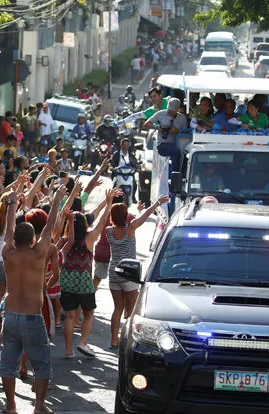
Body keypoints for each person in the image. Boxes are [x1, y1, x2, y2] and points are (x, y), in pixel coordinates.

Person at [0, 184, 66, 414]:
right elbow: (50, 225)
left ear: (16, 239)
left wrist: (11, 204)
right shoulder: (39, 253)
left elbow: (8, 228)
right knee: (42, 365)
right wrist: (57, 198)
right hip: (32, 317)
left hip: (10, 315)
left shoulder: (7, 252)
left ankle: (11, 405)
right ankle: (38, 406)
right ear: (34, 238)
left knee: (8, 363)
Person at [107, 196, 170, 349]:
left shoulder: (109, 231)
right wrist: (156, 203)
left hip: (114, 272)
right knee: (130, 311)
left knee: (117, 309)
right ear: (125, 215)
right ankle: (127, 341)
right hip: (129, 273)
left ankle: (114, 341)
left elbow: (140, 216)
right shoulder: (131, 228)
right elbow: (145, 216)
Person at [60, 190, 116, 359]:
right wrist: (108, 203)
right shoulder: (90, 237)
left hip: (67, 280)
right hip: (84, 281)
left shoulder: (65, 240)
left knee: (70, 316)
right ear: (84, 225)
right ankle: (82, 342)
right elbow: (101, 223)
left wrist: (65, 217)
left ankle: (68, 350)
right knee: (89, 313)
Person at [143, 98, 188, 172]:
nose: (170, 112)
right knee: (175, 151)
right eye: (169, 110)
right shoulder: (160, 114)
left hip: (178, 144)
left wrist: (177, 131)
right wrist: (157, 127)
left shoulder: (182, 118)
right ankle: (175, 175)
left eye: (173, 111)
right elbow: (146, 124)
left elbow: (185, 133)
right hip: (163, 143)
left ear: (177, 109)